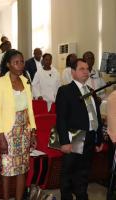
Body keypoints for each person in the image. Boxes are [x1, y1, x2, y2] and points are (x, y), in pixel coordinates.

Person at [56, 58, 103, 200]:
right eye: (82, 69)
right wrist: (64, 141)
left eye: (87, 69)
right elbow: (61, 118)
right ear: (73, 72)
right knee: (68, 172)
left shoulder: (91, 91)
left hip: (89, 137)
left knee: (84, 172)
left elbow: (97, 116)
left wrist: (98, 139)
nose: (86, 72)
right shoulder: (65, 90)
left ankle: (82, 195)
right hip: (73, 137)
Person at [0, 49, 37, 200]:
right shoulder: (1, 83)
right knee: (7, 169)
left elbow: (30, 109)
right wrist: (1, 136)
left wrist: (33, 131)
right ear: (8, 64)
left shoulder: (25, 81)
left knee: (22, 168)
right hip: (8, 131)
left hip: (24, 130)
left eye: (22, 62)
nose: (20, 65)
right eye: (16, 62)